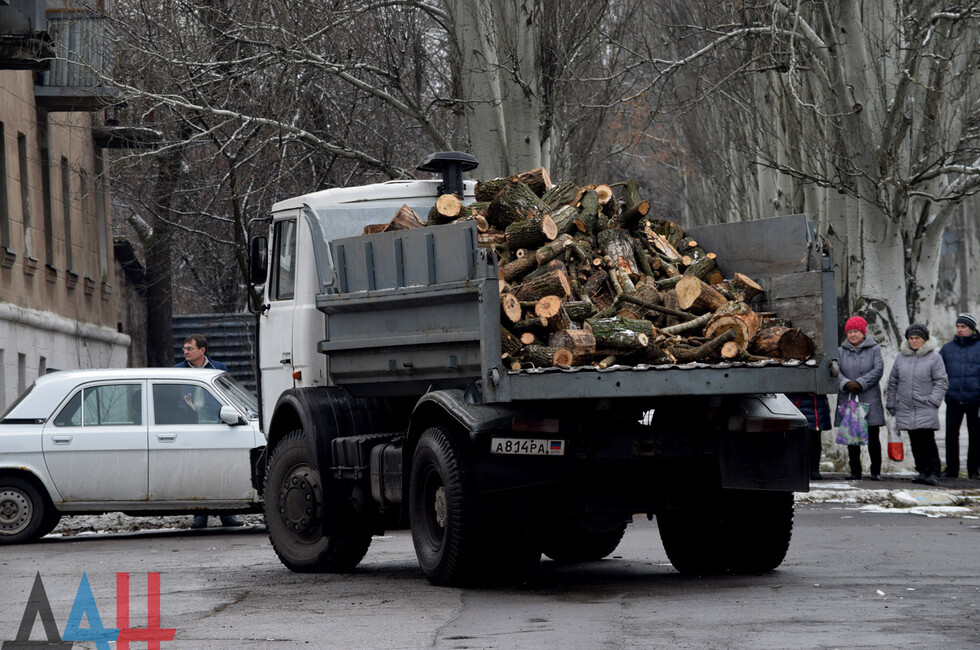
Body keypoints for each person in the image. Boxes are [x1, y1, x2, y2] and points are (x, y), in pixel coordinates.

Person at [174, 334, 241, 529]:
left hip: (217, 424)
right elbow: (172, 399)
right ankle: (200, 515)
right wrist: (184, 408)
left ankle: (227, 514)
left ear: (202, 350)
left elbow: (228, 395)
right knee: (197, 471)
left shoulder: (218, 368)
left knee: (222, 471)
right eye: (184, 349)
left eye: (190, 348)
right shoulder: (178, 370)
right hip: (191, 426)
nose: (185, 352)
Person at [886, 324, 948, 486]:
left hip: (925, 405)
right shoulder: (901, 358)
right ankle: (922, 471)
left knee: (927, 440)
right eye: (911, 338)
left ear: (924, 340)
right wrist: (891, 403)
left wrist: (933, 401)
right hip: (905, 407)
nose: (914, 341)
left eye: (917, 338)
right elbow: (893, 382)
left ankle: (933, 472)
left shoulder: (934, 358)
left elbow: (941, 381)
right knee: (914, 440)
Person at [835, 316, 885, 480]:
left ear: (863, 333)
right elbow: (835, 370)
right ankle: (855, 471)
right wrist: (846, 383)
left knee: (873, 435)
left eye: (856, 331)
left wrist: (861, 383)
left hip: (869, 397)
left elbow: (878, 370)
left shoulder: (874, 349)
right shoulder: (840, 351)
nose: (853, 335)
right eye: (850, 332)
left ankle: (875, 471)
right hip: (849, 397)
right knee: (852, 437)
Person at [938, 313, 980, 480]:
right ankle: (951, 469)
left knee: (976, 435)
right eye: (958, 326)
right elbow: (938, 372)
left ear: (972, 329)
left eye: (964, 327)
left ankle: (974, 470)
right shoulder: (947, 349)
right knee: (951, 434)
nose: (960, 330)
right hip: (954, 398)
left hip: (976, 399)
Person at [786, 393, 832, 480]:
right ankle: (800, 470)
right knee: (799, 441)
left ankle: (814, 469)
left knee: (815, 439)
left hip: (817, 405)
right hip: (800, 403)